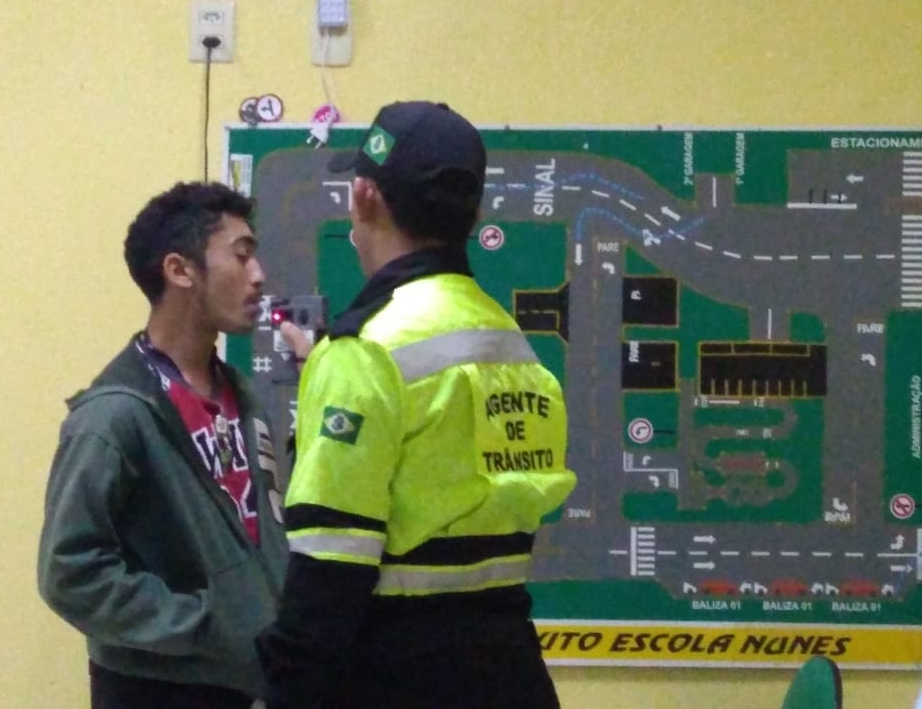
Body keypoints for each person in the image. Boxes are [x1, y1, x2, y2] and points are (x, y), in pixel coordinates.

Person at [256, 101, 577, 708]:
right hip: (510, 673)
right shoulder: (512, 346)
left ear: (363, 197)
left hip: (394, 677)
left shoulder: (365, 352)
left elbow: (330, 570)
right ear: (472, 213)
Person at [38, 181, 289, 709]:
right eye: (241, 255)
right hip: (157, 691)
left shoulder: (242, 400)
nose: (258, 275)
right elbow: (70, 573)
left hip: (249, 687)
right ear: (180, 270)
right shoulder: (114, 415)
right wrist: (202, 625)